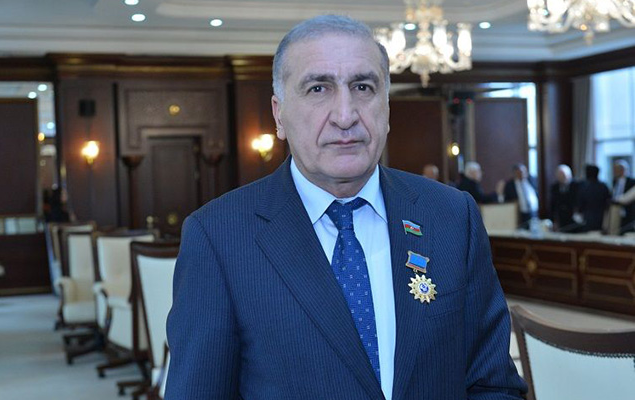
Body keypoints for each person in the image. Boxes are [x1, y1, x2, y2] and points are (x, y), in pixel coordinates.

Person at [166, 15, 526, 400]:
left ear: (386, 107)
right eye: (318, 88)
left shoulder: (452, 216)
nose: (345, 115)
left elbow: (492, 385)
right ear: (279, 114)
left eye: (363, 87)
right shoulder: (218, 236)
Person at [503, 163, 539, 227]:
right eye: (520, 172)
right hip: (520, 214)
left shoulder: (531, 180)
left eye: (524, 172)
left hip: (533, 212)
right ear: (515, 173)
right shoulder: (509, 185)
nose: (522, 174)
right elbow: (507, 200)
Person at [577, 164, 611, 232]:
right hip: (601, 217)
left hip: (587, 217)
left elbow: (580, 203)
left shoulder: (583, 186)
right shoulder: (603, 186)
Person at [549, 164, 579, 232]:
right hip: (560, 218)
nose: (562, 178)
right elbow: (552, 205)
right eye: (559, 176)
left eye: (563, 176)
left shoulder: (577, 186)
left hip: (573, 218)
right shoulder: (555, 187)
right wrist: (553, 221)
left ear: (569, 176)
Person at [611, 160, 635, 232]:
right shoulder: (614, 181)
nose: (615, 172)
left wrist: (616, 200)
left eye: (617, 169)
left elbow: (627, 198)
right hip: (616, 212)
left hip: (628, 213)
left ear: (623, 170)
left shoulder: (632, 182)